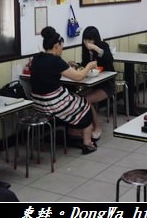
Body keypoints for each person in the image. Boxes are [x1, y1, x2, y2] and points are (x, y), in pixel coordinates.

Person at [29, 26, 99, 154]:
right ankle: (87, 143)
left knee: (75, 98)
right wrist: (89, 66)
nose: (62, 48)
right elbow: (78, 77)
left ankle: (74, 132)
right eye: (61, 45)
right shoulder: (56, 61)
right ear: (56, 45)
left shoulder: (36, 58)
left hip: (37, 102)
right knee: (85, 106)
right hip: (52, 103)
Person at [68, 26, 115, 142]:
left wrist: (96, 48)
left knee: (86, 100)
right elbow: (86, 65)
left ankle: (97, 126)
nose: (87, 43)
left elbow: (109, 59)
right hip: (92, 84)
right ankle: (81, 127)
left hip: (106, 84)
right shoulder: (85, 50)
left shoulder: (103, 46)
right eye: (85, 40)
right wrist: (77, 65)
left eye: (90, 40)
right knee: (77, 98)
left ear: (96, 39)